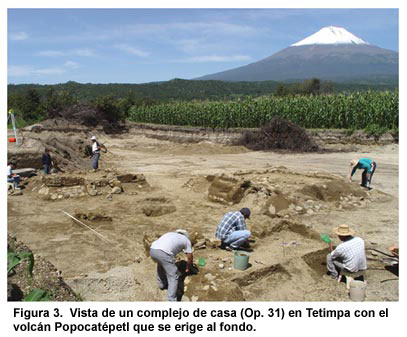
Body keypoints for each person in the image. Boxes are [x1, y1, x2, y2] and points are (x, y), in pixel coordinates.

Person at [150, 229, 193, 301]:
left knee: (161, 265)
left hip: (152, 249)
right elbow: (190, 257)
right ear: (186, 236)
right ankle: (171, 300)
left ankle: (162, 285)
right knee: (173, 275)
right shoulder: (186, 240)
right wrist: (188, 267)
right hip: (163, 253)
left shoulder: (170, 234)